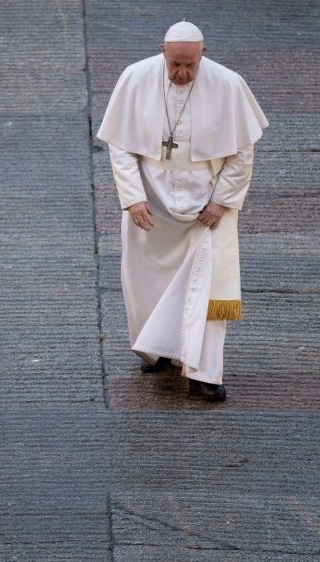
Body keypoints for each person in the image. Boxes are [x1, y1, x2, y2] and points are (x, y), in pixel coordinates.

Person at [96, 21, 268, 401]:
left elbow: (242, 152)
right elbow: (121, 146)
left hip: (207, 207)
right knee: (146, 282)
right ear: (163, 51)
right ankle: (157, 349)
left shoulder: (228, 84)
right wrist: (133, 196)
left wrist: (222, 200)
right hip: (152, 203)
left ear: (202, 54)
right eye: (175, 64)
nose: (182, 73)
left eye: (190, 66)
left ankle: (205, 373)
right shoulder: (136, 78)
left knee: (208, 290)